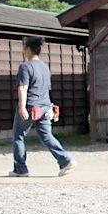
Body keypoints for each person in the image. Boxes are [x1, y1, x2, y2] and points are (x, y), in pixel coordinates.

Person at [9, 36, 76, 177]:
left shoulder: (25, 67)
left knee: (18, 137)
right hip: (44, 106)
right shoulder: (45, 67)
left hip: (30, 106)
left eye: (24, 47)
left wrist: (21, 107)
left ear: (28, 49)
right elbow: (46, 88)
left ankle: (20, 169)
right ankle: (65, 160)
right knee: (47, 136)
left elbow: (23, 87)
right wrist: (50, 106)